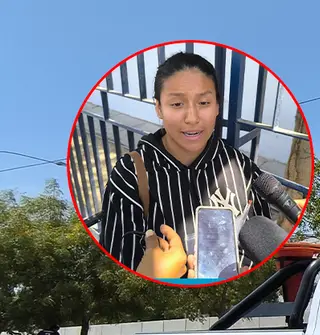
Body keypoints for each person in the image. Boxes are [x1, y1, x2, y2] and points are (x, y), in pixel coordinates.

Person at [96, 51, 306, 279]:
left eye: (204, 102)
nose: (192, 117)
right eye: (177, 104)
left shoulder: (241, 164)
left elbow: (260, 234)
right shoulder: (131, 173)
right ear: (159, 109)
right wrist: (155, 276)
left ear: (217, 106)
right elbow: (118, 268)